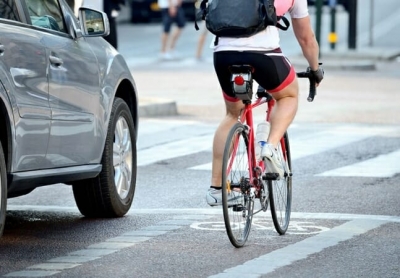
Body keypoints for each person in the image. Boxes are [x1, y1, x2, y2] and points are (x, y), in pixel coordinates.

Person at [206, 0, 324, 206]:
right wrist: (315, 69)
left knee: (233, 114)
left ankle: (216, 189)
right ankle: (269, 147)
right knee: (288, 95)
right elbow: (306, 39)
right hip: (264, 54)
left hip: (223, 54)